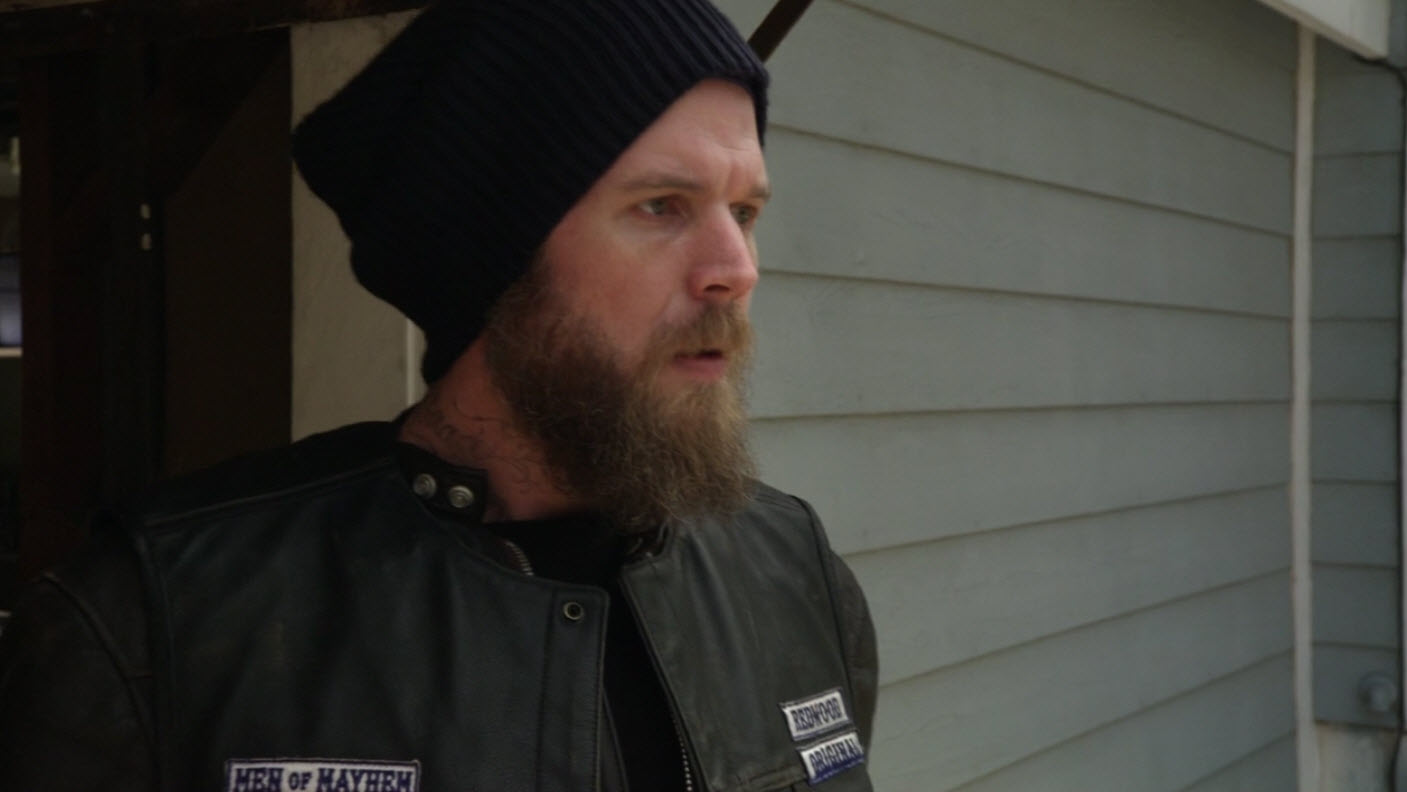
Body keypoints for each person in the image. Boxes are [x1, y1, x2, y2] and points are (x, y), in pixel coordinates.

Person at [0, 0, 878, 789]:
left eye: (744, 211)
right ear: (493, 263)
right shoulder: (156, 621)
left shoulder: (791, 571)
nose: (736, 269)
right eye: (661, 206)